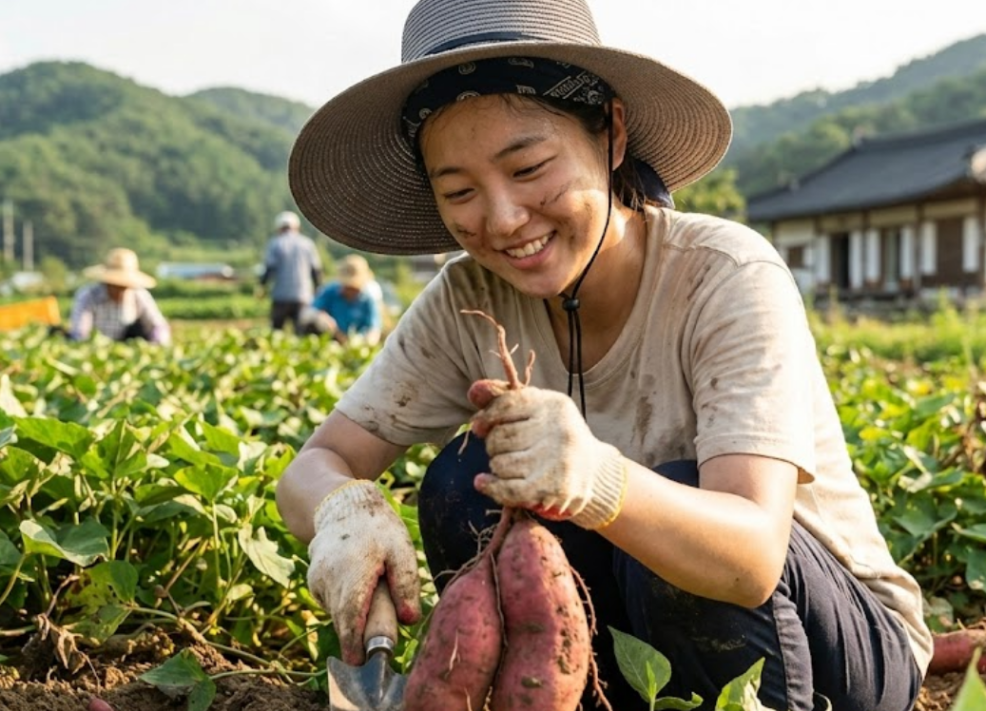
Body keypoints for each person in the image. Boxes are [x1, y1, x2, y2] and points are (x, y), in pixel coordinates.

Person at [277, 1, 932, 710]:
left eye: (528, 167)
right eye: (460, 191)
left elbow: (750, 562)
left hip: (837, 648)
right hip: (628, 654)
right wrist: (345, 513)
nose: (500, 219)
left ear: (612, 133)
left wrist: (601, 479)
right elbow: (313, 466)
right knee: (464, 483)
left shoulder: (724, 274)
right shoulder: (465, 295)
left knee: (672, 532)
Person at [69, 247, 170, 345]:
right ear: (107, 283)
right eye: (116, 286)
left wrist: (157, 342)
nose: (121, 291)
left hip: (127, 344)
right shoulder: (89, 295)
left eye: (124, 287)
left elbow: (158, 325)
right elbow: (80, 332)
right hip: (96, 346)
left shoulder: (138, 294)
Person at [259, 210, 323, 331]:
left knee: (276, 332)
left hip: (280, 296)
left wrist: (262, 286)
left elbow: (269, 269)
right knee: (301, 332)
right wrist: (318, 288)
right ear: (297, 227)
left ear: (279, 228)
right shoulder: (307, 244)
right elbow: (316, 270)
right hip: (302, 295)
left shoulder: (275, 243)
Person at [300, 254, 383, 345]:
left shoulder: (368, 299)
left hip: (356, 343)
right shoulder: (331, 291)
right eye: (347, 286)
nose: (349, 290)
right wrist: (321, 317)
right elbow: (307, 313)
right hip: (331, 340)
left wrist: (367, 341)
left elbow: (374, 327)